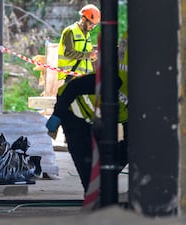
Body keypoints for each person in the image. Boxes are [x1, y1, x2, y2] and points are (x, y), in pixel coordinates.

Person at [46, 32, 129, 194]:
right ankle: (94, 194)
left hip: (97, 117)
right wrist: (58, 114)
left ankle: (103, 185)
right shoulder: (115, 79)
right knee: (88, 170)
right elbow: (73, 87)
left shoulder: (143, 100)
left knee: (126, 151)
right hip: (72, 113)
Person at [57, 4, 100, 81]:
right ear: (83, 19)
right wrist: (88, 55)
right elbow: (68, 53)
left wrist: (93, 56)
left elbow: (87, 55)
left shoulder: (86, 34)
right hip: (71, 76)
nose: (92, 27)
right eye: (91, 24)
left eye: (95, 25)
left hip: (84, 76)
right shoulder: (70, 31)